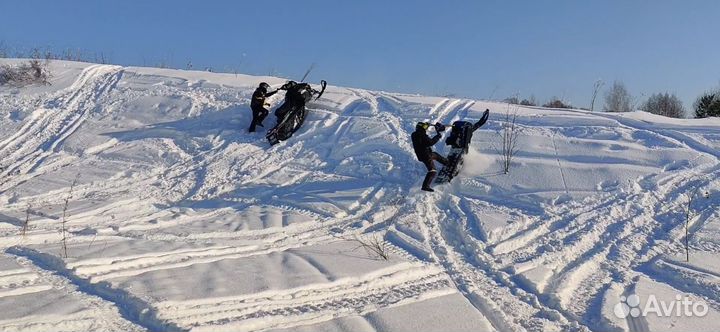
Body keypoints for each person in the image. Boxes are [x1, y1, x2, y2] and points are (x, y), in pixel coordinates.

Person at [411, 122, 448, 192]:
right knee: (432, 170)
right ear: (421, 127)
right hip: (426, 155)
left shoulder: (414, 134)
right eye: (425, 127)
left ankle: (446, 162)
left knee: (435, 155)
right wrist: (438, 135)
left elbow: (424, 141)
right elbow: (430, 142)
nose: (426, 128)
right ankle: (425, 186)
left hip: (421, 155)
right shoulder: (422, 134)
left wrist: (428, 125)